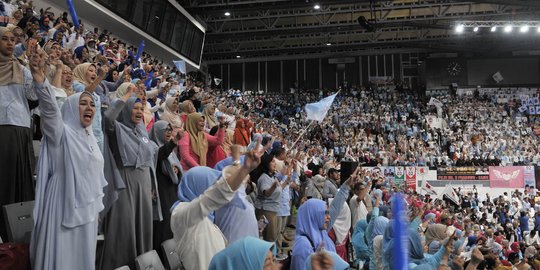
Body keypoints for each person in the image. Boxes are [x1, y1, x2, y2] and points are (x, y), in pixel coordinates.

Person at [29, 48, 107, 270]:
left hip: (86, 216)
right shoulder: (61, 133)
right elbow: (51, 111)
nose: (89, 107)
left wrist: (95, 209)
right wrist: (40, 80)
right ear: (72, 108)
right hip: (62, 206)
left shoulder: (91, 138)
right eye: (83, 103)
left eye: (92, 104)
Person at [170, 144, 263, 270]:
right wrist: (243, 168)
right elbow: (214, 197)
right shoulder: (182, 215)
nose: (210, 190)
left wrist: (244, 167)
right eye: (208, 187)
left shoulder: (209, 219)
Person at [99, 90, 160, 269]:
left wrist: (152, 183)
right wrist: (124, 98)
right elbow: (108, 118)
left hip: (144, 183)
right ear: (125, 110)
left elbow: (148, 159)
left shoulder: (141, 131)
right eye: (135, 108)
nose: (139, 112)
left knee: (142, 226)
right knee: (124, 226)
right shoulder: (116, 128)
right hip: (124, 182)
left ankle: (142, 264)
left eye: (142, 108)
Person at [0, 26, 36, 241]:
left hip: (21, 131)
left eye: (13, 39)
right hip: (2, 130)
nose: (10, 43)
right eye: (4, 39)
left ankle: (12, 238)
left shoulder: (22, 69)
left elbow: (33, 96)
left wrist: (35, 69)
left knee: (19, 187)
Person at [149, 120, 183, 250]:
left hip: (171, 190)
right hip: (160, 191)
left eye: (170, 130)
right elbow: (160, 155)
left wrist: (176, 170)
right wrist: (174, 142)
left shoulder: (171, 151)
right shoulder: (152, 146)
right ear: (157, 131)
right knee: (162, 225)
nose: (169, 132)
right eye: (166, 130)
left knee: (171, 223)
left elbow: (176, 165)